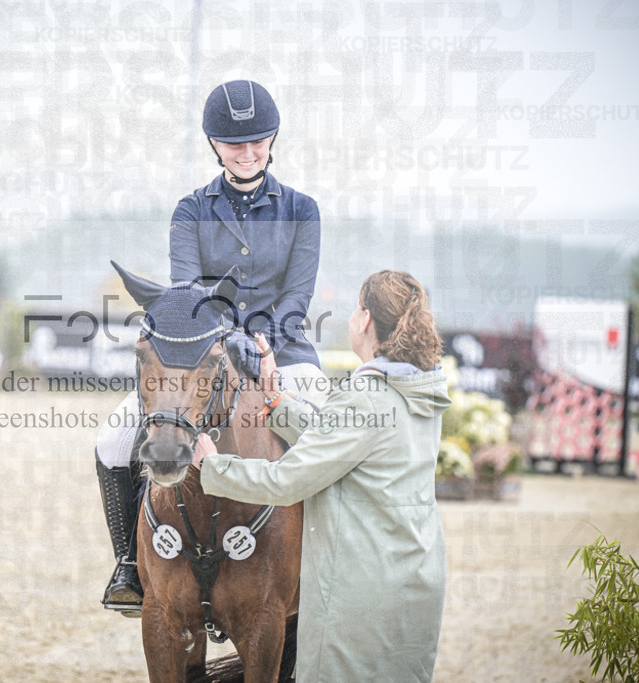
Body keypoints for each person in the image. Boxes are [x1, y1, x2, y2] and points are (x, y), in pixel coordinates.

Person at [96, 80, 328, 612]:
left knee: (322, 434)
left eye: (258, 142)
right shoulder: (190, 210)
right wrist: (229, 340)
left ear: (273, 140)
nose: (247, 153)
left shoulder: (303, 209)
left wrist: (260, 345)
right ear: (214, 145)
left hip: (285, 355)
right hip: (200, 356)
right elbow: (189, 296)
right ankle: (129, 565)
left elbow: (297, 296)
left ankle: (319, 566)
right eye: (233, 144)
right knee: (113, 441)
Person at [193, 270, 450, 682]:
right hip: (415, 575)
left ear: (365, 320)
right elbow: (342, 444)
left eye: (355, 308)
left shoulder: (368, 395)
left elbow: (289, 480)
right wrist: (277, 401)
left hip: (363, 587)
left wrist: (212, 467)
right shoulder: (418, 390)